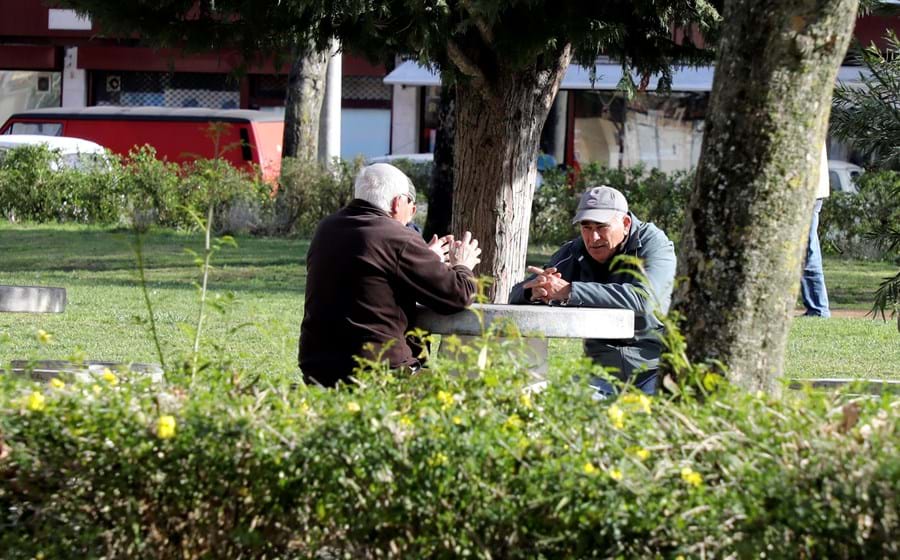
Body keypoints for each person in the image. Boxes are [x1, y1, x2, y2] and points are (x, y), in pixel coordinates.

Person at [299, 163, 481, 387]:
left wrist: (424, 257)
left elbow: (372, 270)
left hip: (318, 370)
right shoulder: (398, 237)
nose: (412, 211)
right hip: (378, 372)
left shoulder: (326, 229)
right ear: (398, 202)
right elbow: (459, 295)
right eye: (410, 202)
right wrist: (462, 264)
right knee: (460, 397)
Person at [509, 185, 676, 395]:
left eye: (601, 227)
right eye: (586, 227)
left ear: (625, 223)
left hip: (654, 369)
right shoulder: (576, 250)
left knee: (658, 418)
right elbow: (516, 294)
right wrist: (532, 292)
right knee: (564, 412)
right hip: (601, 374)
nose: (593, 238)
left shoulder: (654, 245)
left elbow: (645, 299)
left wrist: (571, 291)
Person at [800, 145, 831, 317]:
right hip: (811, 190)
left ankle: (818, 308)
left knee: (807, 248)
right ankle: (817, 307)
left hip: (808, 191)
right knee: (808, 247)